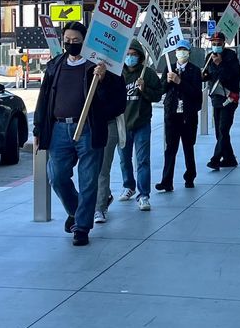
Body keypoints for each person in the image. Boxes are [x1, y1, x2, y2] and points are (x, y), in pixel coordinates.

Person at [32, 22, 127, 246]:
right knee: (57, 176)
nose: (71, 44)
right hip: (58, 129)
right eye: (68, 40)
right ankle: (75, 211)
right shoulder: (55, 66)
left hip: (88, 129)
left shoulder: (101, 68)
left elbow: (116, 102)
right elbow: (44, 99)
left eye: (76, 41)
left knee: (88, 180)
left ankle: (82, 227)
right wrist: (38, 128)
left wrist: (103, 80)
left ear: (86, 42)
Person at [108, 41, 165, 214]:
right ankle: (128, 185)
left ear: (140, 56)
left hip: (141, 123)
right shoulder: (117, 73)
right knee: (124, 159)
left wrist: (144, 89)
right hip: (122, 124)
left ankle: (144, 194)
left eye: (134, 54)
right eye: (128, 54)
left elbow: (158, 95)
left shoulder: (147, 73)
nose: (130, 57)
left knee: (142, 160)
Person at [157, 39, 203, 191]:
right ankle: (166, 181)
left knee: (188, 147)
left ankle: (190, 176)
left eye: (184, 50)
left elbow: (196, 93)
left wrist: (179, 81)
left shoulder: (195, 70)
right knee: (170, 148)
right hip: (172, 114)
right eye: (178, 50)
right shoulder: (169, 68)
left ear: (189, 52)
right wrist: (169, 81)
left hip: (188, 116)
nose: (181, 53)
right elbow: (161, 89)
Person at [204, 32, 240, 170]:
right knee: (219, 131)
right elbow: (208, 76)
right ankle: (229, 158)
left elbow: (230, 76)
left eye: (218, 43)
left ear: (224, 44)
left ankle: (215, 158)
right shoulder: (209, 57)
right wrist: (204, 75)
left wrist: (219, 64)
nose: (216, 46)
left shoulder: (231, 57)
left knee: (223, 129)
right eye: (213, 43)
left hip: (229, 98)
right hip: (216, 98)